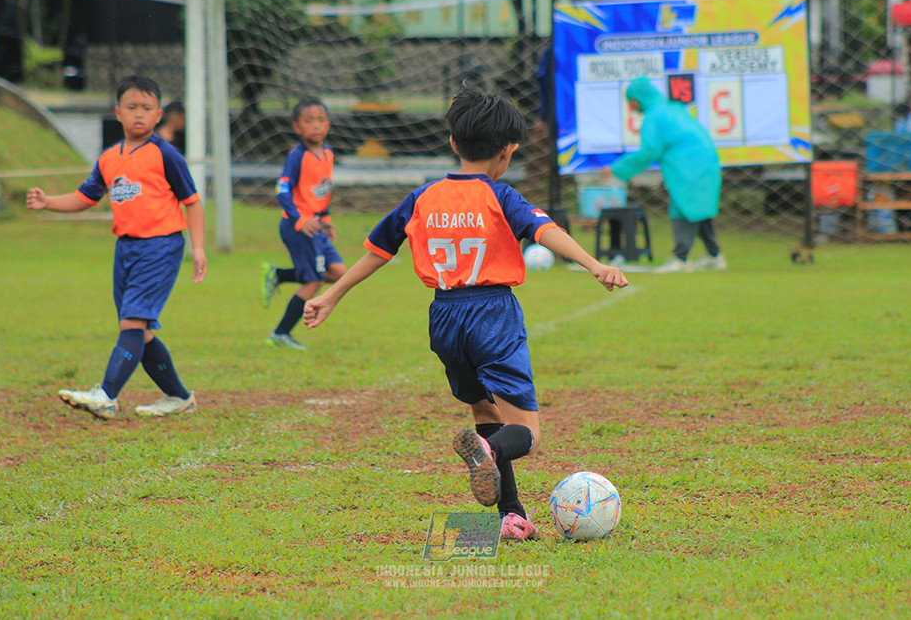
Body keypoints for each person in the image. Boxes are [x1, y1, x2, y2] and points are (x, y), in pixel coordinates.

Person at [303, 87, 629, 540]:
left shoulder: (422, 196)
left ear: (454, 143)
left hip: (444, 317)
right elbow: (544, 230)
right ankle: (486, 450)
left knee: (484, 407)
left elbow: (379, 250)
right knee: (525, 433)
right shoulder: (500, 195)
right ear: (509, 150)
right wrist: (594, 264)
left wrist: (332, 295)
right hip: (492, 313)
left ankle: (510, 515)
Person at [26, 75, 206, 419]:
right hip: (126, 250)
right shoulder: (109, 159)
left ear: (159, 115)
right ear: (118, 113)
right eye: (132, 107)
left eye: (147, 108)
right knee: (139, 330)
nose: (139, 114)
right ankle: (180, 397)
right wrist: (48, 201)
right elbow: (85, 198)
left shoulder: (166, 155)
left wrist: (198, 249)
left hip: (161, 246)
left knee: (132, 325)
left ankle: (107, 395)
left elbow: (193, 202)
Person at [600, 77, 725, 273]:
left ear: (637, 99)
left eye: (630, 102)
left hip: (690, 166)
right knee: (697, 209)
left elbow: (650, 151)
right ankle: (714, 256)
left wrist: (617, 169)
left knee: (682, 208)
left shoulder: (654, 116)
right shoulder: (672, 109)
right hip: (706, 162)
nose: (630, 107)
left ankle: (681, 258)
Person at [260, 97, 347, 350]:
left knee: (339, 274)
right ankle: (280, 333)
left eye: (320, 120)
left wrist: (327, 220)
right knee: (314, 281)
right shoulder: (297, 156)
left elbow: (322, 191)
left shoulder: (328, 153)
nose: (316, 126)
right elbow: (282, 190)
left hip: (317, 226)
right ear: (297, 127)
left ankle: (278, 274)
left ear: (328, 124)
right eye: (309, 121)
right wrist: (299, 219)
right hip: (298, 227)